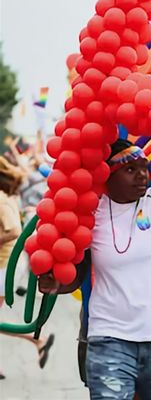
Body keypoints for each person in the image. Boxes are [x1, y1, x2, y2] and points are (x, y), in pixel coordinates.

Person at [37, 139, 151, 400]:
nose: (142, 175)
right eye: (130, 169)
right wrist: (56, 284)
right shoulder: (90, 213)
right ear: (106, 174)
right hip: (109, 340)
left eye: (143, 167)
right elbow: (76, 274)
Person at [0, 158, 53, 379]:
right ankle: (36, 340)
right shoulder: (7, 196)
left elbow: (13, 230)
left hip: (4, 265)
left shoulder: (1, 199)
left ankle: (36, 339)